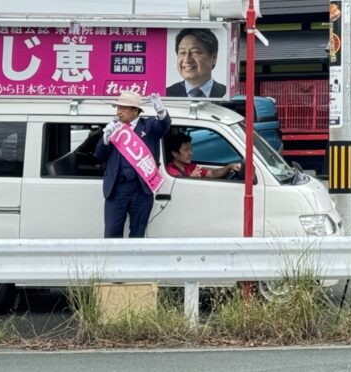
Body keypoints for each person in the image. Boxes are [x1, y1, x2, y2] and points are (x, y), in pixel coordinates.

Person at [94, 90, 170, 238]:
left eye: (123, 108)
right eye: (118, 108)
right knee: (111, 233)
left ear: (135, 110)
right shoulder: (114, 128)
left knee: (137, 233)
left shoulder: (149, 126)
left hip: (140, 188)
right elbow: (99, 155)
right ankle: (111, 262)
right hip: (116, 188)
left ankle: (133, 261)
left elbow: (164, 125)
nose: (119, 112)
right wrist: (105, 139)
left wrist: (161, 111)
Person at [166, 28, 227, 98]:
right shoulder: (165, 94)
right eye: (182, 53)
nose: (187, 59)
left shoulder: (226, 94)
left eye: (195, 52)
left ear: (214, 58)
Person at [163, 130, 242, 180]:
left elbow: (212, 174)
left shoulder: (190, 166)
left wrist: (228, 167)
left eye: (191, 149)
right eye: (186, 150)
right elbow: (177, 190)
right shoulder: (170, 171)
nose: (191, 153)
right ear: (175, 153)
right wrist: (190, 178)